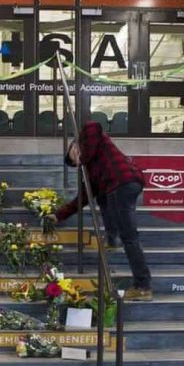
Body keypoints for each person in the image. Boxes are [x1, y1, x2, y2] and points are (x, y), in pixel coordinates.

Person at [49, 121, 153, 301]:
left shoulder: (89, 135)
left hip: (123, 181)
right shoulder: (91, 169)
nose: (78, 162)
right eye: (75, 163)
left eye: (74, 157)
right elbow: (81, 200)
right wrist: (57, 216)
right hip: (119, 185)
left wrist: (81, 153)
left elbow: (93, 125)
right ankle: (111, 238)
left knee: (129, 237)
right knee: (101, 197)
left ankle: (143, 286)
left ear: (74, 146)